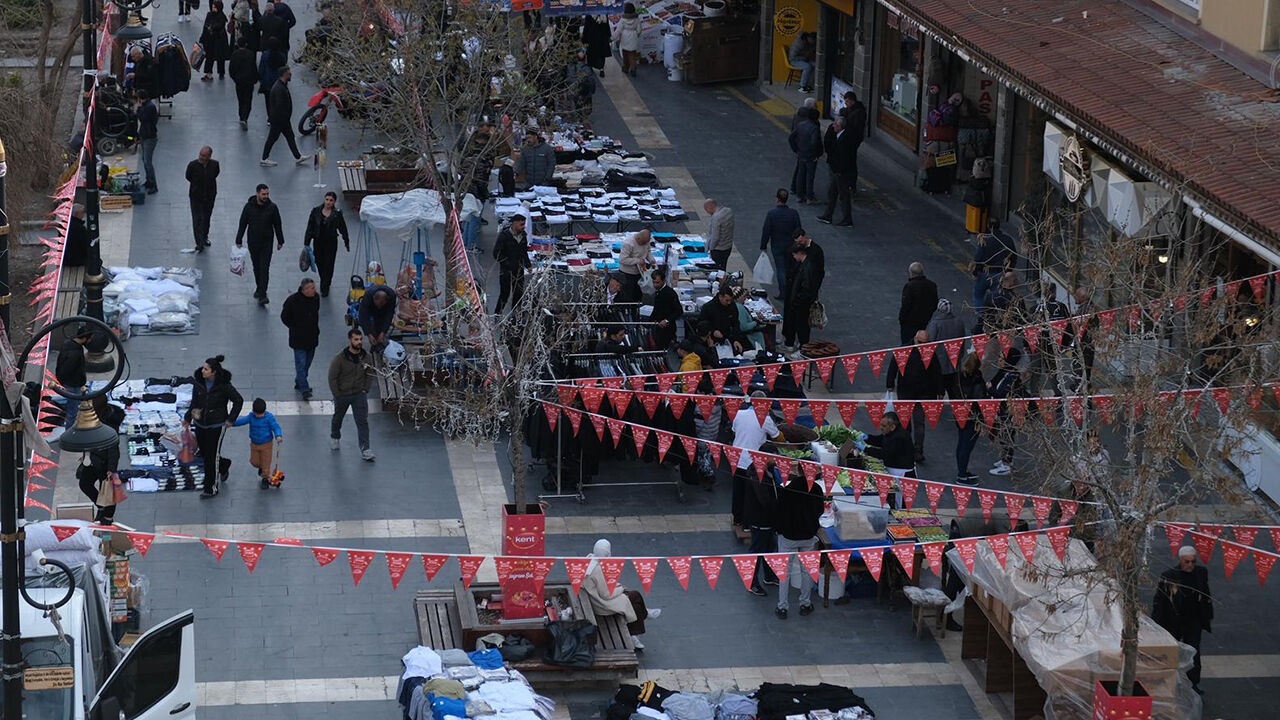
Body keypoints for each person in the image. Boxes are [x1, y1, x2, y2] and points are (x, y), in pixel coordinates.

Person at [1152, 546, 1213, 694]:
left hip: (1193, 620)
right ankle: (1170, 682)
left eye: (1193, 561)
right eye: (1187, 562)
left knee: (1194, 652)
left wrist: (1207, 614)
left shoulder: (1201, 572)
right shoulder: (1169, 576)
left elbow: (1205, 593)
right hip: (1173, 621)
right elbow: (1160, 601)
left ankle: (1193, 683)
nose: (1190, 565)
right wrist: (1156, 624)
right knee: (1172, 652)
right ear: (1180, 560)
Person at [581, 539, 661, 649]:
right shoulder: (598, 569)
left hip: (593, 598)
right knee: (633, 601)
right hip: (600, 604)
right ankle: (635, 631)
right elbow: (606, 595)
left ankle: (644, 615)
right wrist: (621, 589)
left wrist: (618, 588)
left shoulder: (589, 559)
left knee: (634, 597)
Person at [184, 355, 244, 498]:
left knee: (211, 457)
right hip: (200, 424)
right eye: (203, 368)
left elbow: (238, 400)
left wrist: (230, 419)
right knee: (205, 453)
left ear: (213, 372)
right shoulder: (199, 383)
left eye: (206, 369)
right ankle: (223, 465)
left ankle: (211, 488)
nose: (202, 371)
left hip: (216, 425)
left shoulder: (224, 386)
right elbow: (194, 402)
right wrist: (188, 418)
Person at [773, 471, 824, 618]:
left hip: (788, 537)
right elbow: (819, 511)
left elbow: (778, 511)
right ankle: (805, 604)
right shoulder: (816, 489)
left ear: (798, 471)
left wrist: (779, 530)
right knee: (807, 571)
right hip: (808, 536)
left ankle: (782, 607)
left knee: (784, 573)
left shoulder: (787, 489)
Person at [731, 391, 782, 529]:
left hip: (737, 458)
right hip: (753, 462)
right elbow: (777, 436)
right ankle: (747, 524)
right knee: (751, 494)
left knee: (738, 491)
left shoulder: (738, 414)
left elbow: (735, 431)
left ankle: (737, 519)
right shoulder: (765, 418)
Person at [891, 330, 942, 462]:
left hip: (923, 393)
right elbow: (894, 366)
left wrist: (940, 390)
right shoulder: (903, 350)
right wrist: (889, 383)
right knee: (905, 422)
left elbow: (936, 371)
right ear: (915, 338)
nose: (922, 345)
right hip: (906, 391)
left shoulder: (929, 352)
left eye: (925, 343)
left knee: (919, 423)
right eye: (920, 342)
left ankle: (918, 450)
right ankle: (907, 447)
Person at [235, 183, 285, 304]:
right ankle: (259, 287)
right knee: (256, 267)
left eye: (267, 194)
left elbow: (277, 224)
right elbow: (243, 223)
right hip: (253, 242)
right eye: (263, 194)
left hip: (267, 243)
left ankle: (263, 294)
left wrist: (280, 240)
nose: (266, 196)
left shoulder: (272, 207)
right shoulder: (248, 207)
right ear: (257, 193)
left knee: (264, 268)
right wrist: (239, 239)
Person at [329, 329, 375, 461]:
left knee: (362, 421)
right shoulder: (339, 358)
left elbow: (369, 373)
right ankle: (335, 436)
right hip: (343, 394)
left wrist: (365, 389)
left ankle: (365, 449)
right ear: (350, 340)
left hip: (359, 394)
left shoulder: (366, 357)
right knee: (338, 418)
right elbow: (332, 377)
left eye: (360, 339)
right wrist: (337, 394)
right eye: (356, 339)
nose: (359, 342)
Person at [76, 398, 124, 523]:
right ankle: (101, 507)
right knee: (85, 484)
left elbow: (113, 449)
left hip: (104, 463)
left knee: (107, 490)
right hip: (92, 459)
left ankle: (108, 517)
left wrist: (111, 468)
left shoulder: (109, 424)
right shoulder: (93, 418)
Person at [303, 192, 351, 297]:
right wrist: (306, 242)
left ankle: (325, 285)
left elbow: (342, 228)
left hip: (331, 243)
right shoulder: (316, 211)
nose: (328, 202)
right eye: (327, 199)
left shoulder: (337, 214)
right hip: (318, 241)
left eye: (331, 200)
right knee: (319, 262)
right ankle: (324, 280)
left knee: (329, 265)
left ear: (334, 202)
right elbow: (310, 227)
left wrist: (346, 241)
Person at [279, 278, 320, 399]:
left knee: (307, 363)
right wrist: (294, 327)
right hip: (298, 339)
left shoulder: (316, 298)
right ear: (304, 289)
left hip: (312, 337)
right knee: (301, 364)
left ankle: (299, 381)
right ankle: (304, 388)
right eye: (312, 288)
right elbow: (284, 317)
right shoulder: (292, 301)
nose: (315, 290)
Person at [759, 189, 802, 300]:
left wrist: (763, 246)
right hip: (791, 245)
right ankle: (792, 290)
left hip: (777, 246)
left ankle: (783, 292)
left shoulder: (772, 214)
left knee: (780, 268)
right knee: (790, 269)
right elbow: (799, 230)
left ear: (777, 199)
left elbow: (766, 231)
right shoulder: (793, 213)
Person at [232, 398, 284, 488]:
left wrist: (278, 435)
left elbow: (275, 427)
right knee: (254, 462)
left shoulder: (269, 417)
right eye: (257, 414)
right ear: (253, 411)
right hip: (254, 444)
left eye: (261, 414)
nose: (259, 416)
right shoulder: (251, 417)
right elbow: (242, 421)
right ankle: (262, 468)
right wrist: (232, 423)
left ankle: (265, 478)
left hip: (266, 444)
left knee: (266, 462)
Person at [262, 66, 308, 166]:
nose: (290, 74)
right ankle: (264, 158)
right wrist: (284, 118)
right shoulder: (280, 89)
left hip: (281, 119)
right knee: (272, 138)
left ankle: (298, 157)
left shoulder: (281, 86)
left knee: (289, 137)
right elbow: (279, 106)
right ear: (284, 74)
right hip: (279, 120)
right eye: (289, 73)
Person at [53, 324, 94, 435]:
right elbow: (68, 369)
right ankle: (70, 433)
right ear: (84, 338)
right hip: (72, 384)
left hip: (70, 382)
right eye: (89, 339)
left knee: (72, 408)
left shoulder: (69, 344)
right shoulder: (75, 353)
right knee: (72, 411)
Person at [952, 352, 986, 485]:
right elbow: (979, 399)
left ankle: (962, 471)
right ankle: (961, 475)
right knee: (966, 445)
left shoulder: (958, 376)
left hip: (960, 413)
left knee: (961, 442)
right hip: (972, 416)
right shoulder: (977, 379)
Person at [971, 219, 1016, 313]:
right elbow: (1013, 256)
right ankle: (995, 315)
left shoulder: (985, 240)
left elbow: (978, 257)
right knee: (997, 298)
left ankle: (981, 315)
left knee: (978, 295)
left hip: (984, 273)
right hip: (1000, 273)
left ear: (988, 226)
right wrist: (1008, 270)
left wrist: (975, 271)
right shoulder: (1007, 240)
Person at [817, 120, 854, 227]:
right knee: (832, 192)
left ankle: (847, 219)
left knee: (843, 195)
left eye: (835, 125)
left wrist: (839, 171)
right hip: (836, 170)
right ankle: (828, 215)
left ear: (840, 127)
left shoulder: (845, 139)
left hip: (841, 172)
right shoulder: (839, 135)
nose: (833, 126)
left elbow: (845, 158)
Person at [782, 243, 819, 352]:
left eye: (794, 255)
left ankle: (803, 349)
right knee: (799, 325)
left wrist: (797, 301)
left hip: (802, 304)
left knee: (802, 326)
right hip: (800, 302)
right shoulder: (804, 265)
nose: (794, 257)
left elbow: (806, 288)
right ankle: (801, 346)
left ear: (799, 254)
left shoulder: (806, 267)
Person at [493, 215, 531, 314]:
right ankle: (498, 314)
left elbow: (524, 252)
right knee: (505, 294)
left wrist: (528, 264)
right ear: (514, 223)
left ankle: (515, 314)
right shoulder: (504, 236)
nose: (523, 227)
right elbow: (496, 253)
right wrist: (507, 263)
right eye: (521, 224)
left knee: (518, 293)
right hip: (506, 271)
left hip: (519, 270)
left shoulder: (523, 236)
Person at [185, 146, 220, 252]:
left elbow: (215, 174)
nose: (201, 157)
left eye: (204, 155)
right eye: (200, 154)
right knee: (197, 219)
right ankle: (199, 242)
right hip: (196, 197)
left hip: (209, 196)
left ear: (209, 156)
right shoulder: (192, 165)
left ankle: (204, 237)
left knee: (206, 218)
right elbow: (188, 177)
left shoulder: (215, 165)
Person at [787, 107, 822, 205]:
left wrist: (796, 149)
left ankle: (800, 195)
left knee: (800, 174)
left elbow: (791, 137)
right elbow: (814, 142)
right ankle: (809, 197)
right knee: (810, 177)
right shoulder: (814, 128)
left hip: (801, 153)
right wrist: (815, 154)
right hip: (810, 156)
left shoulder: (800, 125)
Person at [866, 411, 915, 478]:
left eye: (884, 426)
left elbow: (885, 454)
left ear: (892, 427)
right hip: (894, 468)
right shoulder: (891, 432)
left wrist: (866, 449)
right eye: (880, 424)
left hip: (901, 472)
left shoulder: (899, 437)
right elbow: (881, 440)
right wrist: (867, 438)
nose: (881, 428)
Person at [699, 286, 743, 354]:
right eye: (726, 300)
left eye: (730, 300)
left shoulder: (732, 306)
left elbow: (735, 324)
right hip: (711, 339)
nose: (729, 303)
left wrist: (736, 340)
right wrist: (713, 331)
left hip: (727, 337)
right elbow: (702, 325)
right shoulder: (708, 307)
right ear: (720, 297)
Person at [229, 36, 259, 130]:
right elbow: (253, 67)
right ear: (246, 44)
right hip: (249, 81)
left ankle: (241, 116)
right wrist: (255, 78)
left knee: (241, 99)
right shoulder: (250, 54)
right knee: (248, 100)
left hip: (239, 81)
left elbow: (231, 69)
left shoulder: (234, 54)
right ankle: (244, 117)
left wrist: (235, 78)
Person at [839, 91, 867, 190]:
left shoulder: (859, 113)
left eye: (847, 101)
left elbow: (856, 128)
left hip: (853, 140)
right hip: (850, 139)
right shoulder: (852, 109)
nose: (846, 103)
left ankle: (851, 184)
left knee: (851, 161)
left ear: (852, 101)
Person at [648, 267, 682, 349]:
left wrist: (667, 320)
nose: (655, 285)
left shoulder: (670, 293)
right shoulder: (658, 292)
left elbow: (679, 310)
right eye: (654, 282)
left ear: (664, 281)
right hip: (658, 327)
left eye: (657, 282)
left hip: (667, 329)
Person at [357, 284, 397, 351]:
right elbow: (363, 316)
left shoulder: (392, 296)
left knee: (381, 320)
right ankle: (374, 342)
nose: (379, 307)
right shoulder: (368, 297)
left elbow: (389, 315)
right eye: (378, 304)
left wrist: (383, 332)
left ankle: (380, 340)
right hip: (371, 307)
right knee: (371, 323)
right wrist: (369, 334)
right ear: (374, 299)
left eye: (382, 304)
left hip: (384, 309)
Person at [257, 37, 287, 121]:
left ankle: (270, 117)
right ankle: (278, 115)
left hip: (267, 82)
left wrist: (261, 79)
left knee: (268, 101)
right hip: (278, 81)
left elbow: (261, 68)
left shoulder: (265, 55)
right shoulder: (281, 55)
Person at [199, 1, 230, 81]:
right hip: (210, 40)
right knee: (209, 56)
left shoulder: (221, 17)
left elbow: (219, 26)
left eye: (214, 7)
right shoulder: (210, 15)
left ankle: (221, 72)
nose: (213, 9)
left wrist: (211, 27)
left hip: (219, 40)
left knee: (220, 57)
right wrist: (202, 38)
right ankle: (208, 74)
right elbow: (205, 27)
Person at [135, 91, 159, 194]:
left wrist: (139, 109)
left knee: (147, 162)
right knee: (144, 160)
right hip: (145, 136)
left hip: (149, 137)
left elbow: (142, 118)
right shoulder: (148, 106)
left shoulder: (149, 107)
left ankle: (153, 185)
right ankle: (149, 181)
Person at [618, 228, 654, 293]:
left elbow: (648, 251)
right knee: (628, 293)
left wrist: (651, 260)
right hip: (627, 273)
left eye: (646, 243)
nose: (645, 244)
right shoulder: (628, 243)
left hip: (640, 272)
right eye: (643, 243)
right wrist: (638, 261)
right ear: (638, 239)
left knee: (638, 293)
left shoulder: (646, 241)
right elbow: (622, 259)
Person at [704, 199, 735, 270]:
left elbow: (715, 237)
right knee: (723, 268)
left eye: (706, 210)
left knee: (716, 270)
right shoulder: (728, 211)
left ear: (709, 208)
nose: (708, 213)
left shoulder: (716, 218)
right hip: (728, 246)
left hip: (718, 249)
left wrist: (710, 249)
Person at [566, 49, 597, 119]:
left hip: (575, 90)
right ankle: (583, 117)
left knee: (577, 105)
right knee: (585, 105)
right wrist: (592, 90)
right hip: (584, 91)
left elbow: (568, 79)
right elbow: (591, 80)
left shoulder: (570, 67)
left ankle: (579, 117)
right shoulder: (587, 68)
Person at [613, 4, 641, 77]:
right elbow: (639, 30)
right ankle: (633, 69)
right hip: (633, 38)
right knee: (632, 55)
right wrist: (636, 34)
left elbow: (618, 30)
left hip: (625, 38)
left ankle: (626, 68)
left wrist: (612, 38)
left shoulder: (622, 19)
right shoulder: (637, 19)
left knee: (625, 55)